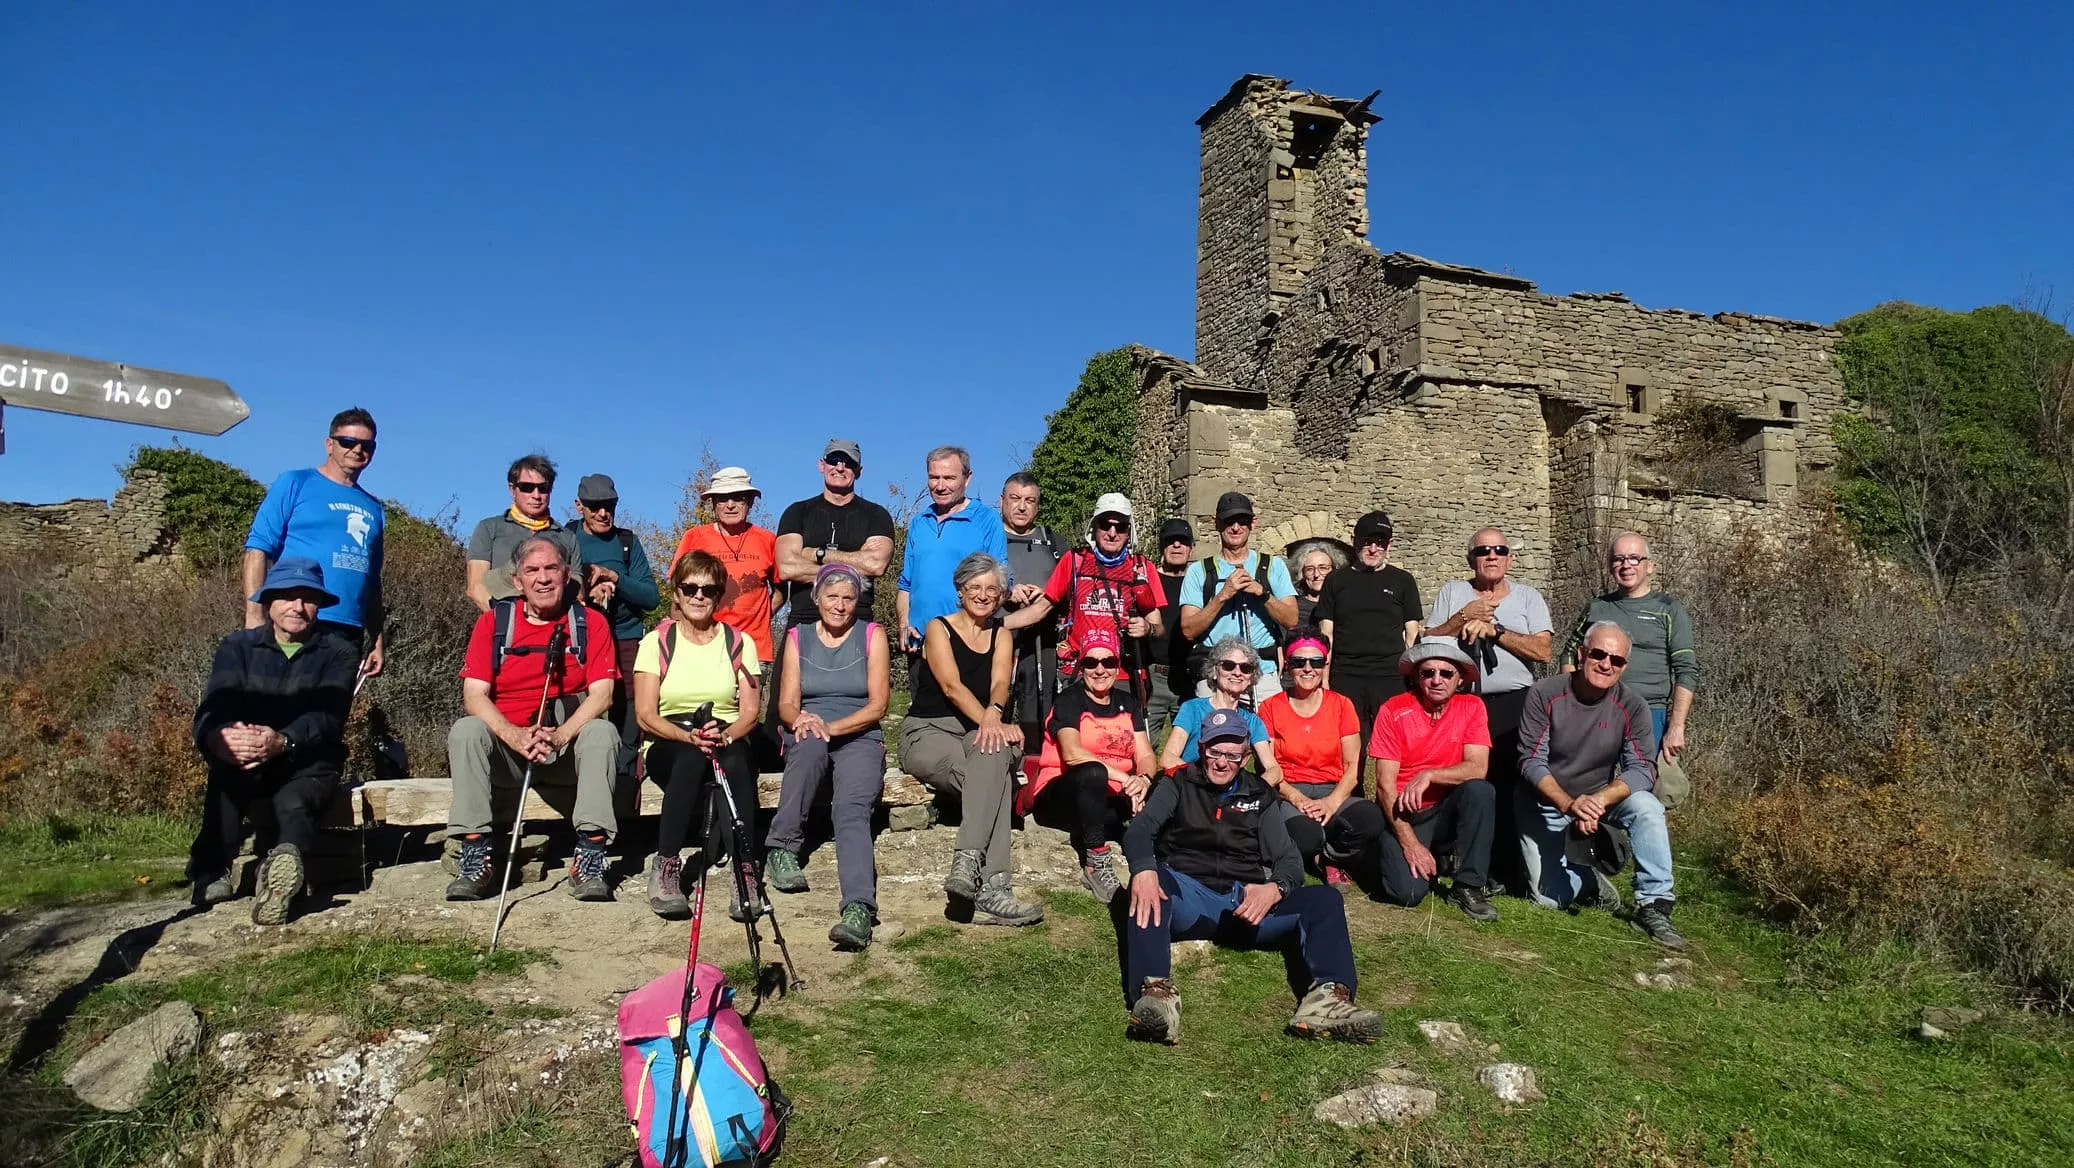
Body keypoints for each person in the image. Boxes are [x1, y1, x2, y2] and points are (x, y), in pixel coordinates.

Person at [1122, 709, 1381, 1046]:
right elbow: (1139, 833)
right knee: (1149, 884)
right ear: (1201, 749)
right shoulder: (1177, 782)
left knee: (1325, 899)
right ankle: (1155, 995)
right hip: (1189, 896)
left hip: (1245, 905)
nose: (1221, 762)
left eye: (1232, 755)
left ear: (1245, 757)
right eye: (1214, 752)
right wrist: (1143, 869)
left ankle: (1328, 1000)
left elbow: (1288, 858)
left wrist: (1275, 888)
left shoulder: (1260, 794)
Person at [445, 537, 620, 902]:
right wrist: (514, 736)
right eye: (533, 570)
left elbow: (602, 695)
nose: (543, 578)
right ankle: (475, 855)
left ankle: (589, 856)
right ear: (517, 581)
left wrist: (560, 737)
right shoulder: (493, 624)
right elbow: (473, 697)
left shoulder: (592, 624)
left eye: (552, 568)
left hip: (566, 749)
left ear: (567, 574)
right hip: (509, 751)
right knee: (466, 731)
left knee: (602, 732)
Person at [190, 558, 359, 925]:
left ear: (320, 605)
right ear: (268, 602)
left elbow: (328, 716)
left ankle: (283, 876)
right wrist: (218, 739)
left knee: (295, 801)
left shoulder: (340, 651)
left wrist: (284, 740)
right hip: (247, 755)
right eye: (287, 597)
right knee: (227, 776)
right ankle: (211, 869)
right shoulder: (238, 646)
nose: (297, 607)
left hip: (309, 761)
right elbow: (215, 703)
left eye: (308, 599)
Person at [1518, 621, 1686, 949]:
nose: (1606, 664)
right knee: (1549, 899)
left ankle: (1655, 903)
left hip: (1598, 799)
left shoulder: (1632, 706)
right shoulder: (1545, 694)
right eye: (1598, 654)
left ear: (1624, 666)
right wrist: (1570, 804)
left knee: (1647, 806)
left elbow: (1642, 769)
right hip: (1544, 800)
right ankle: (1592, 883)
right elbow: (1530, 762)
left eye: (1617, 659)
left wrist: (1598, 800)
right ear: (1581, 654)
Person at [898, 552, 1043, 926]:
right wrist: (992, 724)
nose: (983, 595)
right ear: (960, 591)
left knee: (991, 758)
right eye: (974, 588)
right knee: (995, 774)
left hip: (975, 732)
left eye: (992, 589)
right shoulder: (938, 627)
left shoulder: (1002, 634)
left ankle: (969, 868)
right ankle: (994, 888)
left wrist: (993, 713)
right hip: (929, 730)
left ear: (1001, 596)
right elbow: (951, 686)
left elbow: (999, 683)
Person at [764, 564, 892, 951]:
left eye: (848, 598)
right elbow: (786, 703)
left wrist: (834, 728)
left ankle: (857, 907)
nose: (839, 605)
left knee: (851, 808)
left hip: (859, 732)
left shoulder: (872, 635)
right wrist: (803, 720)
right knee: (808, 750)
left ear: (858, 602)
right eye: (832, 597)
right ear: (817, 598)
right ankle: (782, 848)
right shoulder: (797, 636)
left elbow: (879, 705)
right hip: (809, 724)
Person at [633, 550, 765, 922]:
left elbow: (750, 712)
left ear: (719, 594)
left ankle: (745, 870)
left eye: (708, 589)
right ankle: (667, 865)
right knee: (691, 759)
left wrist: (726, 736)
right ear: (676, 592)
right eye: (689, 587)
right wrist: (686, 737)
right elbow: (645, 713)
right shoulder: (655, 643)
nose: (698, 596)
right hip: (670, 738)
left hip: (723, 732)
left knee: (738, 760)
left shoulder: (739, 643)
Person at [1424, 528, 1551, 891]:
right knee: (1465, 779)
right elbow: (1430, 641)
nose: (1491, 556)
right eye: (1483, 551)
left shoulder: (1528, 597)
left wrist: (1496, 631)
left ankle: (1508, 866)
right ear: (1471, 559)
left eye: (1499, 550)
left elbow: (1542, 650)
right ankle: (1457, 857)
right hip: (1463, 701)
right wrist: (1463, 617)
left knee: (1512, 782)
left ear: (1509, 558)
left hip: (1515, 703)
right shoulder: (1454, 593)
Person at [241, 407, 386, 675]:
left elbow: (372, 581)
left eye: (366, 445)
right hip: (298, 620)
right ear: (329, 444)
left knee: (329, 715)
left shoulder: (374, 507)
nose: (357, 450)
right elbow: (258, 549)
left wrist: (376, 638)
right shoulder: (296, 482)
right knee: (280, 709)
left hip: (348, 630)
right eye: (348, 442)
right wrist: (254, 617)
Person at [1018, 626, 1156, 904]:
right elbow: (1072, 754)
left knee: (1169, 782)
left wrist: (1143, 779)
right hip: (1062, 796)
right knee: (1092, 772)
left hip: (1111, 796)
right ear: (1081, 666)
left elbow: (1146, 755)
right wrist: (1122, 776)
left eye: (1108, 662)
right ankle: (1095, 860)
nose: (1100, 669)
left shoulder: (1128, 704)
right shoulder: (1070, 701)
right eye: (1091, 662)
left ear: (1118, 667)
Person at [1369, 639, 1500, 922]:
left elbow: (1478, 768)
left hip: (1444, 807)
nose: (1437, 680)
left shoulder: (1473, 707)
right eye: (1428, 673)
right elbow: (1384, 787)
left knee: (1480, 791)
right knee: (1407, 894)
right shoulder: (1393, 709)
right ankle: (1393, 854)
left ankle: (1468, 886)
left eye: (1446, 673)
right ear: (1417, 677)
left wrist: (1430, 775)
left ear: (1460, 678)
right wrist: (1411, 844)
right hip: (1403, 813)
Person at [772, 439, 896, 725]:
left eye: (849, 462)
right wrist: (854, 564)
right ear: (821, 464)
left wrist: (816, 553)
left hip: (857, 619)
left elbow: (876, 564)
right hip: (803, 618)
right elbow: (787, 566)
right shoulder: (797, 512)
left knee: (859, 704)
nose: (840, 467)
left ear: (859, 471)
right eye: (834, 460)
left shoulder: (876, 515)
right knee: (784, 710)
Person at [1001, 493, 1167, 699]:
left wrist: (1147, 628)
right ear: (1094, 527)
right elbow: (1039, 610)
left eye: (1121, 526)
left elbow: (1158, 628)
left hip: (1123, 674)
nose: (1112, 533)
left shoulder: (1142, 568)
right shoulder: (1074, 561)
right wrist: (995, 625)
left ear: (1129, 530)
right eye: (1105, 525)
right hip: (1079, 671)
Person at [1558, 533, 1699, 758]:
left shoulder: (1668, 609)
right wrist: (1574, 701)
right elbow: (1568, 654)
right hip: (1596, 711)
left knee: (1655, 785)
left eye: (1634, 558)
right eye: (1618, 559)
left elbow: (1686, 670)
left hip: (1649, 712)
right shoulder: (1597, 607)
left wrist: (1676, 727)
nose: (1626, 565)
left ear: (1650, 566)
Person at [1257, 636, 1385, 880]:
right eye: (1299, 661)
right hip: (1289, 789)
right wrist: (1298, 799)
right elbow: (1269, 766)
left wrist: (1332, 802)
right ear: (1288, 665)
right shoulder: (1271, 707)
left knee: (1370, 820)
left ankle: (1330, 857)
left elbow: (1353, 765)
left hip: (1333, 787)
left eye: (1316, 661)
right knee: (1306, 837)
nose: (1308, 668)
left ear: (1325, 665)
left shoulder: (1341, 705)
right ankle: (1314, 851)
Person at [566, 474, 660, 782]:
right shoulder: (565, 538)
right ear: (579, 506)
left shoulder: (627, 542)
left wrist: (616, 579)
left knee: (628, 709)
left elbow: (651, 597)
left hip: (626, 639)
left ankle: (624, 778)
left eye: (609, 506)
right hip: (577, 639)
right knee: (576, 706)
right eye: (595, 507)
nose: (603, 513)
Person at [1316, 511, 1423, 763]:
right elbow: (1326, 633)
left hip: (1390, 675)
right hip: (1347, 675)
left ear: (1389, 545)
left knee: (1396, 746)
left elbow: (1412, 634)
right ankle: (1353, 800)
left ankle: (1392, 800)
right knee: (1349, 747)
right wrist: (1325, 679)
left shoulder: (1403, 581)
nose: (1374, 548)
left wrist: (1412, 677)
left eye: (1380, 542)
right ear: (1355, 541)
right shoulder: (1336, 580)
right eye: (1367, 541)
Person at [1178, 492, 1297, 706]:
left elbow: (1291, 619)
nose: (1235, 528)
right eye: (1228, 521)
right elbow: (1188, 629)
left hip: (1262, 675)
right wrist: (1223, 595)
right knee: (1217, 737)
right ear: (1216, 524)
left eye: (1242, 521)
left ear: (1253, 523)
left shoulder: (1272, 566)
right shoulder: (1199, 571)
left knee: (1267, 739)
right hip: (1216, 675)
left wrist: (1263, 594)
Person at [897, 446, 1010, 656]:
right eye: (934, 477)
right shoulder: (918, 523)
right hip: (919, 644)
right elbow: (906, 585)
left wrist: (972, 628)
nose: (940, 486)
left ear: (967, 478)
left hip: (966, 645)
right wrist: (904, 624)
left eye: (949, 478)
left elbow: (1001, 585)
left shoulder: (986, 520)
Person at [998, 472, 1064, 753]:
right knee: (995, 708)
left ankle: (1035, 771)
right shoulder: (987, 538)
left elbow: (1071, 587)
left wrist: (1048, 595)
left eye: (1029, 501)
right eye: (1015, 499)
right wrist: (1006, 592)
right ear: (1001, 501)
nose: (1022, 507)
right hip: (997, 637)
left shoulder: (1054, 542)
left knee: (1037, 711)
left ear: (1037, 506)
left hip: (1043, 642)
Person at [1159, 636, 1282, 786]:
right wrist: (1206, 784)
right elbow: (1168, 758)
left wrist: (1252, 792)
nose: (1237, 673)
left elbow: (1274, 769)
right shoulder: (1193, 709)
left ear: (1251, 678)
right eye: (1229, 666)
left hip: (1231, 794)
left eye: (1246, 668)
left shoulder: (1252, 721)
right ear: (1215, 672)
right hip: (1191, 786)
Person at [466, 455, 582, 612]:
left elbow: (577, 591)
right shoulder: (489, 528)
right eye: (527, 488)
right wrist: (506, 620)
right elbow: (476, 587)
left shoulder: (566, 537)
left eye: (543, 488)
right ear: (512, 489)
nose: (536, 495)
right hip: (500, 627)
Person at [1141, 518, 1195, 748]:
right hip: (1154, 675)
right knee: (1143, 744)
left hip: (1189, 676)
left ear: (1191, 547)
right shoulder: (1149, 579)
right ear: (1161, 546)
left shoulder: (1198, 580)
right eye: (1170, 541)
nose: (1176, 546)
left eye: (1182, 541)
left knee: (1190, 747)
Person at [1289, 542, 1342, 633]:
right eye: (1309, 569)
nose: (1316, 574)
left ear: (1334, 570)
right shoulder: (1294, 608)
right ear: (1302, 573)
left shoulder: (1343, 604)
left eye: (1323, 568)